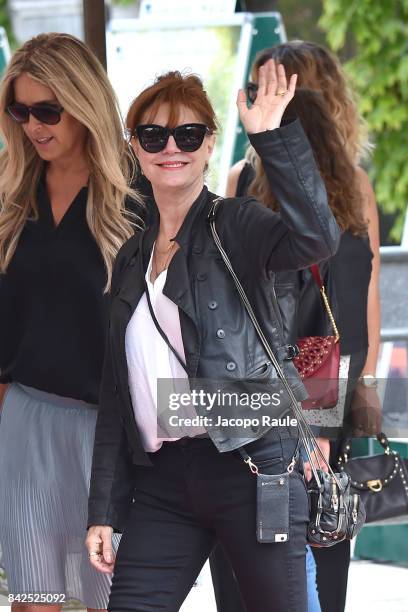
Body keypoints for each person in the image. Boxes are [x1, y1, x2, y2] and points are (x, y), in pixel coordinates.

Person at [86, 62, 340, 612]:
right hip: (163, 480)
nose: (170, 146)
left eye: (188, 133)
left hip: (252, 464)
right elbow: (117, 395)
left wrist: (272, 138)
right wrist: (103, 510)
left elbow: (317, 239)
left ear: (209, 144)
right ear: (135, 147)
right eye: (153, 134)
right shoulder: (131, 256)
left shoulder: (237, 224)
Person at [226, 41, 381, 612]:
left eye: (277, 87)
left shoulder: (350, 187)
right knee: (262, 557)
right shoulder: (244, 179)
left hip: (318, 402)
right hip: (266, 402)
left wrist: (344, 402)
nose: (261, 99)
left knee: (315, 547)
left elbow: (351, 310)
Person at [0, 33, 141, 612]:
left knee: (114, 599)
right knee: (34, 599)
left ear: (83, 102)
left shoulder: (137, 195)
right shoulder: (12, 193)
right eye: (19, 110)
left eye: (47, 110)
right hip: (26, 421)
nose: (34, 125)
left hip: (109, 432)